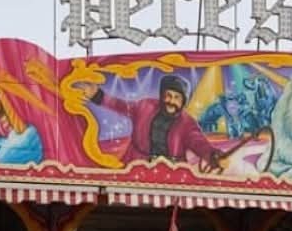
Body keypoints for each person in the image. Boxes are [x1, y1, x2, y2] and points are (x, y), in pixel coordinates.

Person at [80, 73, 224, 170]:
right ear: (162, 95)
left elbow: (198, 142)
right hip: (137, 166)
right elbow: (121, 105)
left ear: (183, 101)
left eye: (177, 97)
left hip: (171, 172)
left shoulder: (187, 123)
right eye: (168, 95)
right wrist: (98, 95)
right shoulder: (145, 106)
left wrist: (213, 155)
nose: (171, 101)